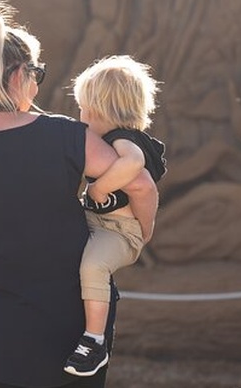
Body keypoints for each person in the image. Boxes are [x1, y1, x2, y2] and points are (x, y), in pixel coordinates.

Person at [0, 2, 159, 388]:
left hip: (1, 333)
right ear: (19, 74)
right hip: (76, 334)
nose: (36, 87)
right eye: (37, 75)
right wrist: (141, 233)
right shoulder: (65, 135)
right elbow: (141, 184)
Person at [63, 55, 167, 377]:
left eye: (83, 108)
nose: (80, 116)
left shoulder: (124, 139)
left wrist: (98, 189)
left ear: (99, 109)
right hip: (99, 223)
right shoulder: (108, 139)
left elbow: (134, 166)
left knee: (93, 265)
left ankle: (94, 342)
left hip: (118, 231)